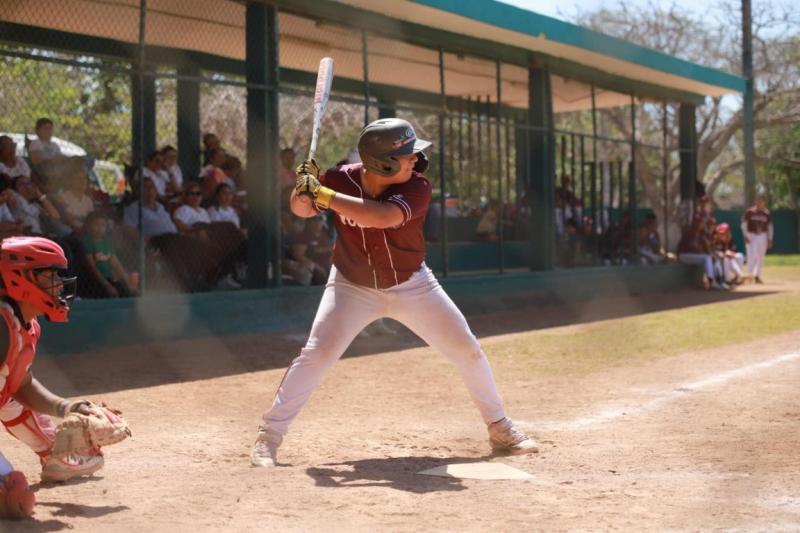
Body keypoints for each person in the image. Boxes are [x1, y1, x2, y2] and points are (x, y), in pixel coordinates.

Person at [250, 118, 539, 468]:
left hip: (411, 283)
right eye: (406, 155)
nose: (415, 160)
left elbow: (383, 217)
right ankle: (269, 437)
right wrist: (303, 188)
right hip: (351, 284)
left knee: (467, 349)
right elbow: (301, 209)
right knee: (318, 353)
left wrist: (323, 194)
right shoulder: (340, 178)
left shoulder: (417, 187)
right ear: (381, 163)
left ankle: (499, 427)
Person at [0, 236, 109, 497]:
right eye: (50, 275)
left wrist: (70, 407)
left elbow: (21, 384)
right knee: (15, 497)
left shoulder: (23, 324)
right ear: (20, 278)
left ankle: (52, 454)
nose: (59, 284)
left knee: (7, 395)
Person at [81, 211, 137, 298]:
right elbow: (92, 268)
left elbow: (116, 264)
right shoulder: (87, 242)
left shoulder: (106, 241)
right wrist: (107, 286)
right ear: (88, 226)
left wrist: (128, 284)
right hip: (96, 281)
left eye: (103, 225)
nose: (99, 228)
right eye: (96, 224)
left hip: (109, 278)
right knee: (111, 294)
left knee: (128, 293)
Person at [740, 196, 772, 284]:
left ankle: (757, 275)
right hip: (751, 235)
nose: (760, 202)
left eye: (761, 201)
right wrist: (745, 235)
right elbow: (744, 224)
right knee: (751, 255)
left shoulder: (766, 213)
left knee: (760, 256)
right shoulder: (750, 212)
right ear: (755, 201)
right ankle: (751, 275)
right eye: (758, 200)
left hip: (762, 235)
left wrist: (770, 239)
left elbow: (770, 227)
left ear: (764, 202)